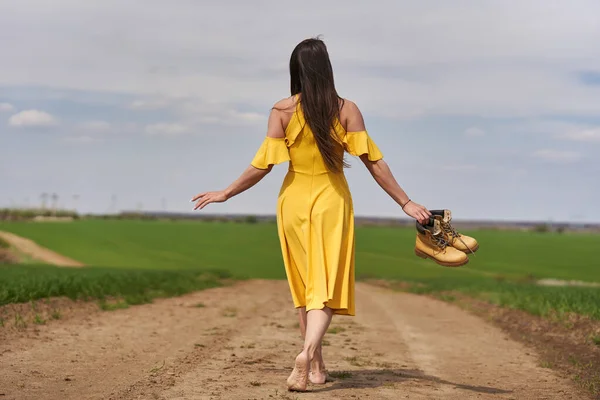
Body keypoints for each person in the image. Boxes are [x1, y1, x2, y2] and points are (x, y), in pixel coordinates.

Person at [191, 37, 431, 392]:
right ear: (327, 69)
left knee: (306, 288)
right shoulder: (346, 109)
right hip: (332, 198)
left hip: (293, 200)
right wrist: (404, 202)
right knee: (326, 288)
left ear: (296, 70)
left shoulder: (281, 110)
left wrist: (226, 192)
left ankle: (316, 369)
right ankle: (307, 355)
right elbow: (373, 161)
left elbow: (263, 165)